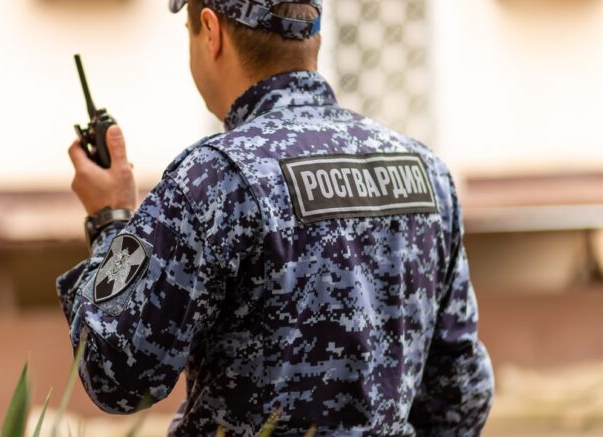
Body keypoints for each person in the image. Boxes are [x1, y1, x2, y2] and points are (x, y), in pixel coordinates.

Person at [56, 0, 495, 435]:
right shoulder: (424, 171)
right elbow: (461, 393)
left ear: (211, 31)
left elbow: (115, 372)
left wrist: (111, 220)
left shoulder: (215, 177)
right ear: (313, 33)